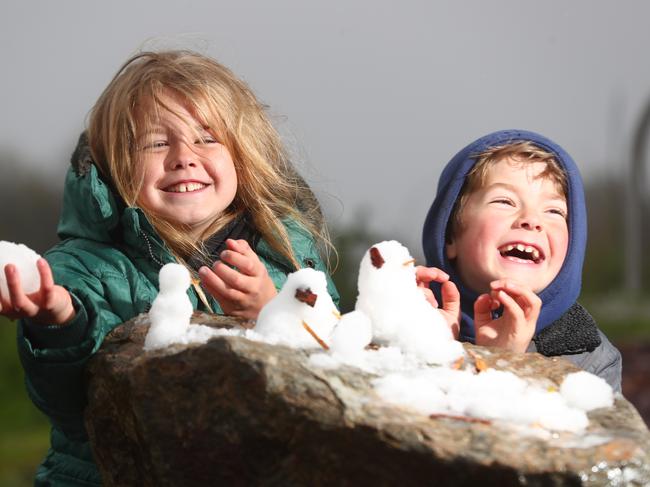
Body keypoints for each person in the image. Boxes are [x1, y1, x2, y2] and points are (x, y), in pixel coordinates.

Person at [0, 50, 339, 486]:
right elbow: (69, 402)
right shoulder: (84, 266)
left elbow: (334, 362)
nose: (184, 156)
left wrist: (271, 310)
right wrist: (59, 322)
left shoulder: (285, 250)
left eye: (207, 138)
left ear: (242, 154)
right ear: (116, 165)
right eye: (157, 143)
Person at [420, 129, 621, 391]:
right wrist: (432, 355)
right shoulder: (405, 323)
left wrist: (505, 364)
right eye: (505, 201)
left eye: (554, 210)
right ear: (450, 237)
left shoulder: (590, 357)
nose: (532, 220)